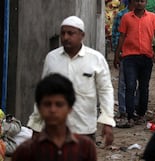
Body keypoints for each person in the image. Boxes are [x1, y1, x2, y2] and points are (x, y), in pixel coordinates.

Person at [27, 16, 115, 145]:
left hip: (84, 128)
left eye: (71, 33)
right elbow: (42, 94)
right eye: (63, 33)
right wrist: (36, 125)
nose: (66, 37)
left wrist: (107, 121)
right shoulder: (52, 58)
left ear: (82, 35)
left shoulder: (95, 59)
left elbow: (105, 90)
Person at [14, 74, 97, 161]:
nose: (53, 110)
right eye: (47, 104)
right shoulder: (25, 151)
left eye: (59, 104)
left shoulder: (85, 147)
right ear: (39, 108)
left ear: (70, 108)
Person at [114, 0, 155, 127]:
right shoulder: (126, 18)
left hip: (146, 56)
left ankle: (141, 113)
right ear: (132, 2)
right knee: (130, 86)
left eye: (142, 1)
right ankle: (130, 115)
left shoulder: (152, 17)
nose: (140, 3)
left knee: (144, 87)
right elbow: (122, 37)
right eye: (137, 1)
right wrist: (117, 55)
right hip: (129, 57)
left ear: (146, 2)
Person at [111, 0, 138, 126]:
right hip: (125, 54)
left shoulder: (143, 16)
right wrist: (118, 52)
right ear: (132, 0)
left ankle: (133, 110)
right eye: (137, 0)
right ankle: (123, 110)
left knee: (135, 84)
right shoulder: (122, 15)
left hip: (139, 54)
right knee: (123, 83)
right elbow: (116, 35)